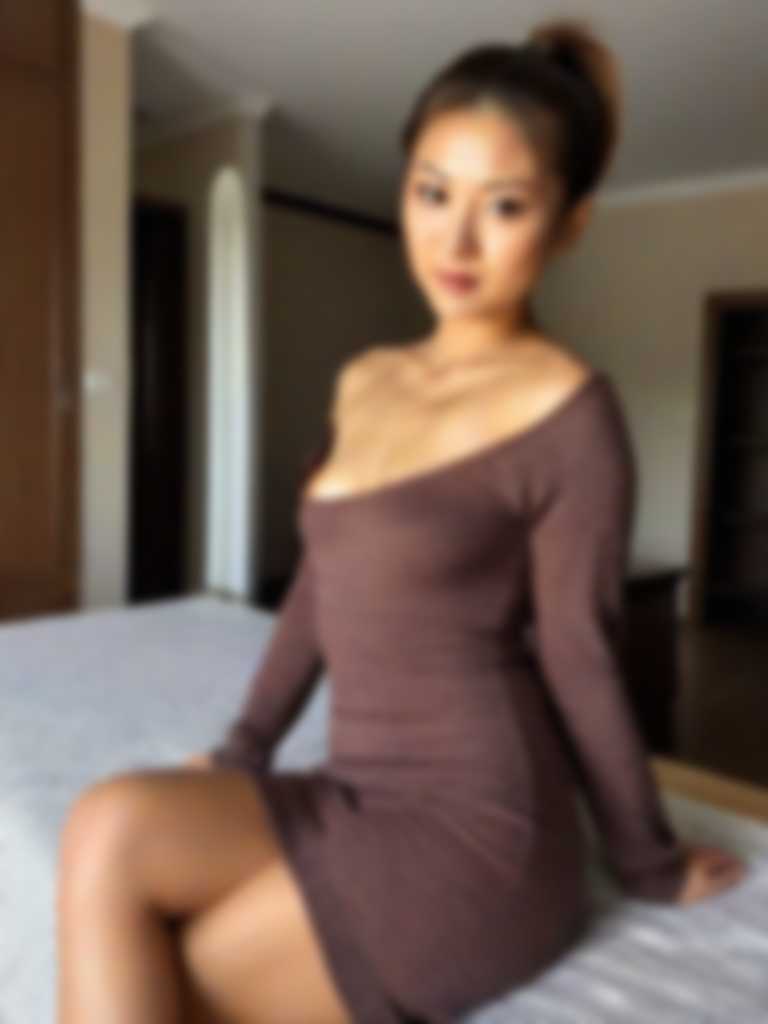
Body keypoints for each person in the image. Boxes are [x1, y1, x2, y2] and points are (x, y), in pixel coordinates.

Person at [56, 16, 748, 1024]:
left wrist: (646, 859)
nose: (455, 241)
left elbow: (581, 654)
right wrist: (246, 749)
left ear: (569, 224)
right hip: (352, 786)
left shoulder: (572, 414)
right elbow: (319, 586)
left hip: (481, 831)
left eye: (503, 206)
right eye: (432, 192)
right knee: (108, 823)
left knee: (178, 976)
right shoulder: (366, 380)